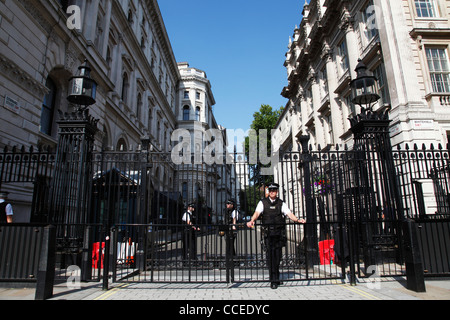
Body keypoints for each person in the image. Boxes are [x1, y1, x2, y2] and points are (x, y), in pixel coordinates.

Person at [247, 183, 305, 289]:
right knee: (270, 256)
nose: (272, 192)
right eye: (271, 190)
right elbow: (257, 212)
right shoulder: (262, 202)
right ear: (268, 191)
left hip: (279, 233)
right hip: (268, 233)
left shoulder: (281, 203)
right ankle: (273, 279)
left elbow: (289, 213)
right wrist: (252, 220)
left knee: (277, 256)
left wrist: (297, 219)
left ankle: (276, 276)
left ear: (277, 192)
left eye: (274, 190)